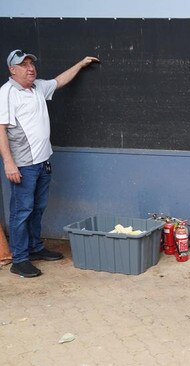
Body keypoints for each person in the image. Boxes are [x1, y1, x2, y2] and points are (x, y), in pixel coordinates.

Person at [0, 49, 99, 278]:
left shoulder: (38, 88)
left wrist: (81, 63)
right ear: (12, 70)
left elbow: (59, 81)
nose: (30, 68)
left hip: (43, 161)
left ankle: (35, 248)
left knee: (37, 208)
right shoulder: (6, 93)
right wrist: (9, 164)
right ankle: (20, 259)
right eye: (23, 65)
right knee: (21, 211)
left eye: (31, 63)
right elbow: (1, 130)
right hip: (23, 165)